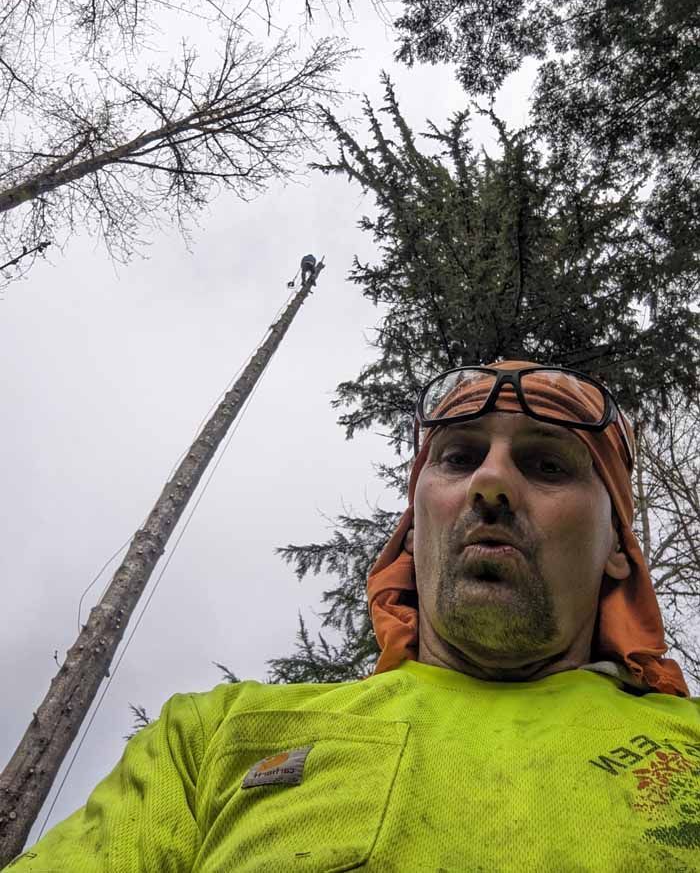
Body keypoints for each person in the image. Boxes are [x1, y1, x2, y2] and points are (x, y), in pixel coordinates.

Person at [13, 361, 700, 871]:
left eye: (546, 463)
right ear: (414, 525)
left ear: (619, 547)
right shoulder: (216, 737)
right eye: (459, 457)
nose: (490, 483)